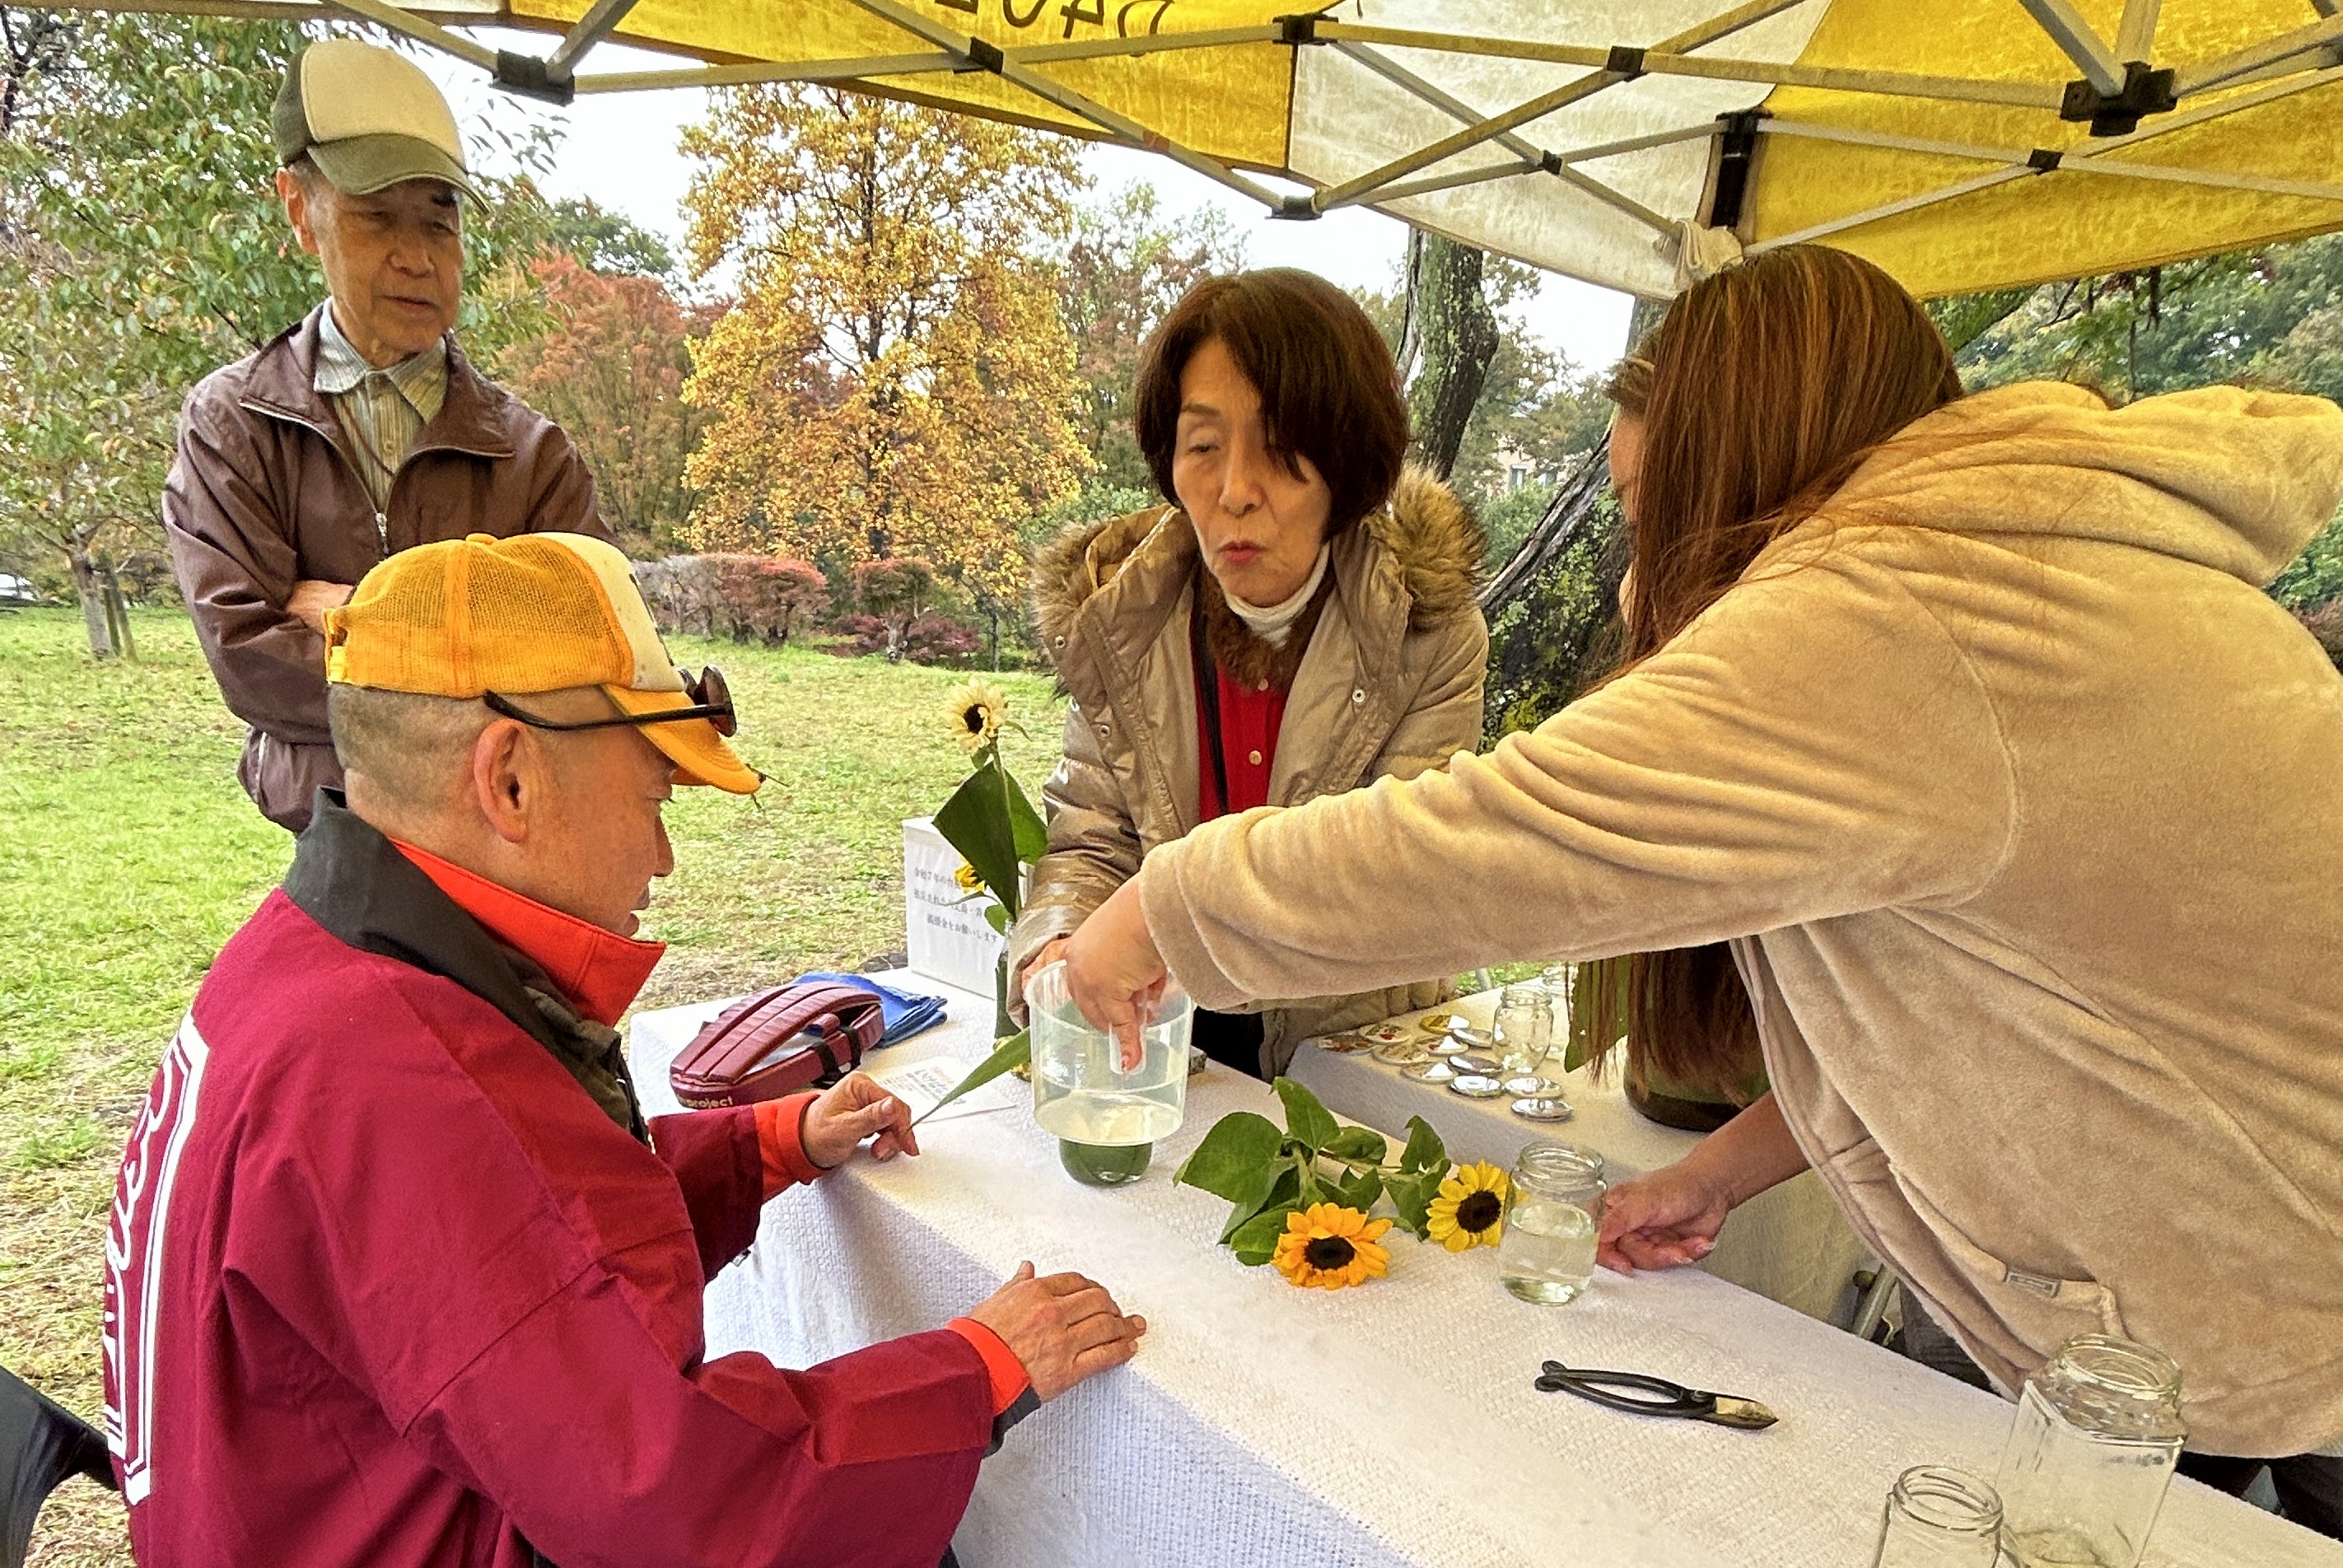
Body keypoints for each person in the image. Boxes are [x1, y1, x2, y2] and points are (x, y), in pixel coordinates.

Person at [1060, 245, 2343, 1513]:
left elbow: (1509, 841)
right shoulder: (2019, 573)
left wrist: (1162, 907)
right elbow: (2008, 997)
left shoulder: (1907, 606)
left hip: (2265, 1309)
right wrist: (1722, 1170)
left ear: (1739, 472)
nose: (1633, 582)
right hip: (2213, 1290)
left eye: (1644, 515)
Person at [102, 531, 1146, 1567]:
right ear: (508, 778)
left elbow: (519, 1265)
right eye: (651, 796)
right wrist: (980, 1365)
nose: (662, 856)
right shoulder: (418, 1077)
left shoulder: (311, 961)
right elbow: (678, 1502)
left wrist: (763, 1143)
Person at [1007, 268, 1488, 1078]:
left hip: (1343, 1054)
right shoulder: (1119, 619)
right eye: (1202, 447)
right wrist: (1060, 942)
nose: (1234, 491)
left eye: (1278, 449)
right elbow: (1089, 836)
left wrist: (1165, 913)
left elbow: (1393, 871)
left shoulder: (1426, 630)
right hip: (1168, 1042)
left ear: (1345, 463)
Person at [165, 39, 602, 833]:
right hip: (330, 833)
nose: (415, 258)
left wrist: (355, 615)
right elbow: (250, 660)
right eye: (375, 218)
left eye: (440, 224)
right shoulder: (234, 424)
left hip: (502, 839)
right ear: (301, 211)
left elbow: (585, 658)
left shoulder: (534, 454)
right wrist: (476, 659)